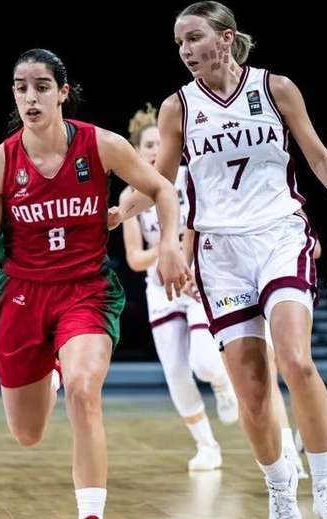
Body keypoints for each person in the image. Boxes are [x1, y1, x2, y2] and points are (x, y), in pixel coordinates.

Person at [0, 48, 189, 519]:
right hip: (21, 297)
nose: (30, 96)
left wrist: (170, 242)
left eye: (41, 86)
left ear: (63, 91)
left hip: (86, 290)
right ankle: (54, 370)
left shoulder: (101, 145)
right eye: (20, 87)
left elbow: (162, 188)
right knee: (28, 434)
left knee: (86, 389)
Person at [155, 2, 327, 519]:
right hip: (219, 251)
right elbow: (158, 183)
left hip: (278, 235)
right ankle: (280, 488)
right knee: (254, 393)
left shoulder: (276, 88)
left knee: (296, 359)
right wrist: (149, 232)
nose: (185, 50)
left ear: (226, 37)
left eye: (194, 38)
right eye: (178, 44)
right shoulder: (178, 108)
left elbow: (318, 155)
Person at [120, 103, 238, 473]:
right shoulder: (129, 198)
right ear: (136, 153)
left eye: (160, 143)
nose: (155, 150)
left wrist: (181, 254)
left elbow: (206, 225)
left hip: (196, 279)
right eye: (148, 146)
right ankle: (207, 446)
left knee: (204, 362)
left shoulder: (188, 177)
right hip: (160, 288)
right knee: (175, 372)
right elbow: (135, 259)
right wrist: (165, 247)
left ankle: (223, 382)